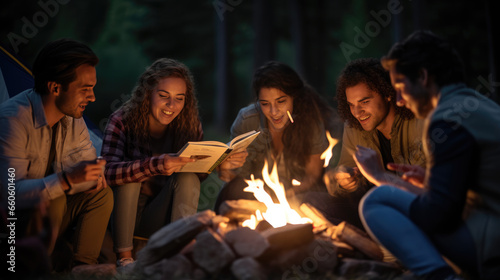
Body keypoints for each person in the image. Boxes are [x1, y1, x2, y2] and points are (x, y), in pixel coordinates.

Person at [355, 30, 500, 280]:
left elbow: (439, 216)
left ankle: (440, 276)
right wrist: (431, 181)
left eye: (400, 87)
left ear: (422, 77)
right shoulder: (475, 104)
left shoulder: (446, 120)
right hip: (490, 222)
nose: (399, 100)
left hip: (493, 241)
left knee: (376, 200)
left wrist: (383, 177)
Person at [101, 58, 246, 267]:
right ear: (147, 93)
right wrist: (154, 165)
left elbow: (197, 175)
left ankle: (180, 250)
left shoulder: (189, 123)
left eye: (179, 98)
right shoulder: (122, 120)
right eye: (163, 96)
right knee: (130, 179)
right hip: (122, 215)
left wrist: (217, 165)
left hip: (159, 215)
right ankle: (125, 260)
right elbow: (107, 173)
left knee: (188, 178)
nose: (172, 105)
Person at [0, 39, 113, 268]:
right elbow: (9, 196)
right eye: (85, 89)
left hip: (49, 218)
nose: (91, 97)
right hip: (12, 224)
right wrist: (66, 180)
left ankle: (83, 267)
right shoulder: (13, 120)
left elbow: (91, 172)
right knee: (56, 197)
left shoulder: (73, 119)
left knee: (102, 194)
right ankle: (31, 267)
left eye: (92, 88)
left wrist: (87, 178)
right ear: (55, 88)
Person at [317, 58, 426, 228]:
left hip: (414, 211)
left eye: (364, 102)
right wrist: (344, 180)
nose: (357, 112)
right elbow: (341, 181)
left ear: (387, 93)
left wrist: (380, 175)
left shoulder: (419, 121)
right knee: (313, 202)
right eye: (351, 105)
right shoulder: (353, 128)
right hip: (372, 210)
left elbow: (429, 191)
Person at [214, 61, 337, 211]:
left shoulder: (310, 122)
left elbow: (313, 175)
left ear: (294, 98)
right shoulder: (247, 121)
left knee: (315, 203)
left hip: (299, 195)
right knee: (229, 194)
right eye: (265, 104)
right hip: (257, 196)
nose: (274, 111)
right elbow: (239, 178)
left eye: (281, 101)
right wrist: (226, 171)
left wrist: (283, 195)